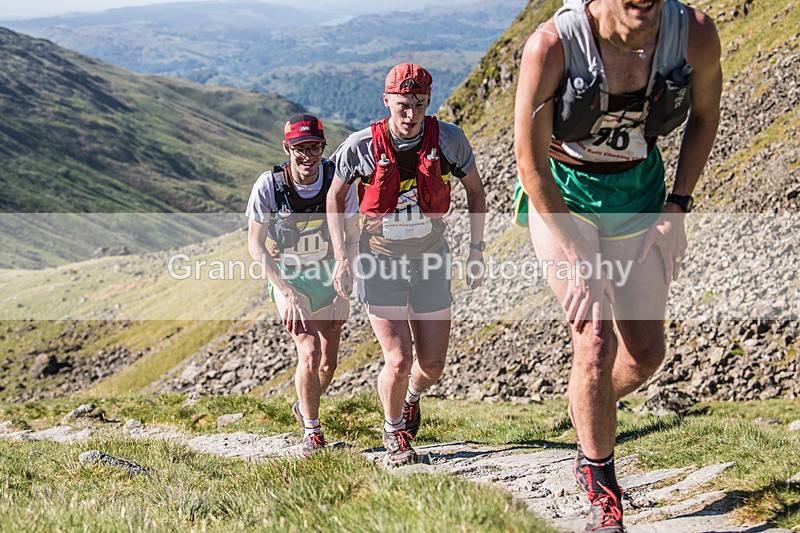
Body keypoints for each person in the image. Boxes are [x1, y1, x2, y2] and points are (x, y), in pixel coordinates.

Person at [514, 0, 721, 530]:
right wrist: (580, 257)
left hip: (640, 191)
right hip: (564, 196)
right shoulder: (552, 47)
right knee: (595, 338)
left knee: (647, 353)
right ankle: (602, 491)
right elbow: (529, 160)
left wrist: (677, 207)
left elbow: (704, 116)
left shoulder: (693, 33)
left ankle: (587, 403)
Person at [327, 64, 487, 466]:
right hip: (380, 261)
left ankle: (411, 399)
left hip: (432, 259)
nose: (410, 113)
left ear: (428, 102)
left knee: (431, 365)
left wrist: (476, 250)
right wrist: (342, 258)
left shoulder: (449, 139)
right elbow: (334, 198)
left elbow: (475, 192)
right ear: (387, 101)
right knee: (398, 360)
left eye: (417, 104)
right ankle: (393, 429)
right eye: (402, 104)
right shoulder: (360, 145)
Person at [246, 113, 360, 457]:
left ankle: (302, 407)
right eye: (300, 149)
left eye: (314, 148)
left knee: (328, 364)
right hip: (289, 278)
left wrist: (345, 285)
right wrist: (287, 291)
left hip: (330, 275)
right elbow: (255, 245)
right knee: (308, 350)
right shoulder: (269, 185)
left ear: (323, 147)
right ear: (287, 148)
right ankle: (312, 433)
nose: (307, 156)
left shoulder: (338, 182)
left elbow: (353, 238)